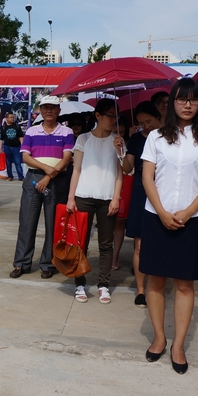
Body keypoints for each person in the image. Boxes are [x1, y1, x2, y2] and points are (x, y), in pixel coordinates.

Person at [140, 78, 198, 374]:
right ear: (172, 102)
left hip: (192, 220)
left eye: (193, 99)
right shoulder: (156, 137)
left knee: (185, 283)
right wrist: (162, 212)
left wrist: (187, 213)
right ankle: (159, 338)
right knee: (156, 280)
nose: (188, 104)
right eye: (182, 99)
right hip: (156, 217)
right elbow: (147, 177)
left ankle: (178, 345)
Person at [67, 99, 123, 304]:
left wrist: (116, 197)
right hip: (84, 196)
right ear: (98, 116)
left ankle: (104, 285)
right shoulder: (83, 139)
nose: (113, 120)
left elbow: (121, 172)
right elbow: (76, 170)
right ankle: (79, 283)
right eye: (110, 115)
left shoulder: (118, 140)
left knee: (106, 245)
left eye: (116, 116)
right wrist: (71, 198)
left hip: (107, 198)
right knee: (80, 242)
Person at [11, 96, 74, 279]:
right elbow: (26, 157)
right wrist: (46, 169)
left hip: (57, 180)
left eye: (53, 108)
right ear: (40, 110)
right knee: (27, 223)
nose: (49, 111)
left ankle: (48, 264)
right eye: (45, 107)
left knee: (53, 224)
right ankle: (21, 263)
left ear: (59, 111)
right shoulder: (32, 131)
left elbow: (67, 158)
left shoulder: (66, 131)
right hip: (33, 179)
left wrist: (48, 176)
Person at [115, 101, 161, 308]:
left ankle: (157, 286)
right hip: (141, 193)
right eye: (142, 123)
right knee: (140, 245)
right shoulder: (136, 139)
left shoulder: (169, 137)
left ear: (158, 117)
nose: (146, 126)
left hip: (164, 193)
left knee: (159, 243)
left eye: (149, 121)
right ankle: (141, 290)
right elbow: (127, 168)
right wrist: (120, 151)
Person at [111, 115, 130, 271]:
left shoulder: (126, 143)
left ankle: (115, 255)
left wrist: (121, 149)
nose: (118, 134)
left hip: (123, 183)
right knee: (106, 223)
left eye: (122, 132)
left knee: (119, 223)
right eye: (115, 131)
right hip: (105, 182)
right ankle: (107, 254)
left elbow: (128, 168)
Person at [0, 110, 24, 181]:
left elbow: (21, 137)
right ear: (6, 119)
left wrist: (22, 146)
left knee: (18, 163)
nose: (12, 119)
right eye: (11, 117)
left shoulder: (17, 126)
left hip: (16, 147)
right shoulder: (3, 127)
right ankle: (10, 176)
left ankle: (21, 177)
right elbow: (1, 139)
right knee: (8, 163)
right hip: (7, 147)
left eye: (13, 117)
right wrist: (0, 148)